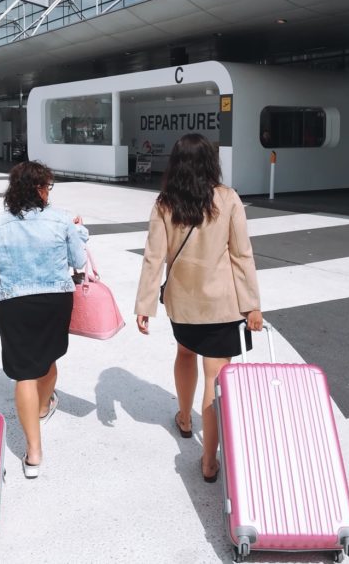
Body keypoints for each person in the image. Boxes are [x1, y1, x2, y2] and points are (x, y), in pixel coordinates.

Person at [134, 133, 263, 483]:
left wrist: (145, 303)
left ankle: (185, 418)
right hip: (222, 304)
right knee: (215, 377)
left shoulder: (164, 203)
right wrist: (251, 305)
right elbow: (241, 255)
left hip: (183, 302)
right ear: (210, 161)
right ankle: (209, 460)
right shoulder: (228, 199)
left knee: (185, 355)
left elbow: (153, 257)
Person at [0, 161, 88, 479]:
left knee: (24, 374)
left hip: (15, 304)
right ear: (38, 187)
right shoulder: (62, 219)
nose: (49, 191)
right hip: (54, 302)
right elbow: (78, 261)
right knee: (48, 358)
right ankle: (43, 406)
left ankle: (33, 453)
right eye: (48, 185)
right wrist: (78, 231)